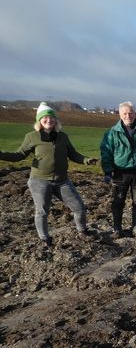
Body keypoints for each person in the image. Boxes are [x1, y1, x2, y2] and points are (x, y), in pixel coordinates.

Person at [0, 102, 97, 246]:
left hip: (62, 181)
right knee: (42, 211)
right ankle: (44, 238)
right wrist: (1, 155)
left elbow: (73, 154)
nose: (49, 120)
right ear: (39, 120)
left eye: (51, 118)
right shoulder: (32, 137)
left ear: (56, 121)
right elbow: (19, 155)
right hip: (39, 181)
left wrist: (87, 160)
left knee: (79, 207)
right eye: (44, 118)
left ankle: (82, 231)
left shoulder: (63, 137)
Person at [100, 101, 136, 239]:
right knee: (118, 201)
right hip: (120, 172)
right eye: (124, 113)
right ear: (120, 114)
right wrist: (108, 171)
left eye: (130, 113)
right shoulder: (112, 133)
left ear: (135, 114)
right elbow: (106, 153)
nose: (128, 115)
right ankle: (117, 229)